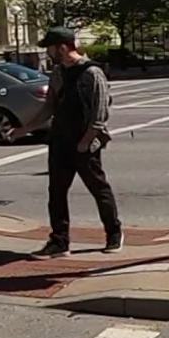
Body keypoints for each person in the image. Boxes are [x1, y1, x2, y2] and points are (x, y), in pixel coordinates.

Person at [34, 26, 119, 256]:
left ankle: (113, 233)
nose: (48, 52)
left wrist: (86, 141)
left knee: (98, 188)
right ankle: (59, 241)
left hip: (84, 141)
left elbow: (100, 114)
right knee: (56, 192)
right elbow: (49, 106)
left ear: (62, 47)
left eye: (50, 48)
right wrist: (24, 129)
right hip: (60, 140)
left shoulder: (92, 73)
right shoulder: (58, 73)